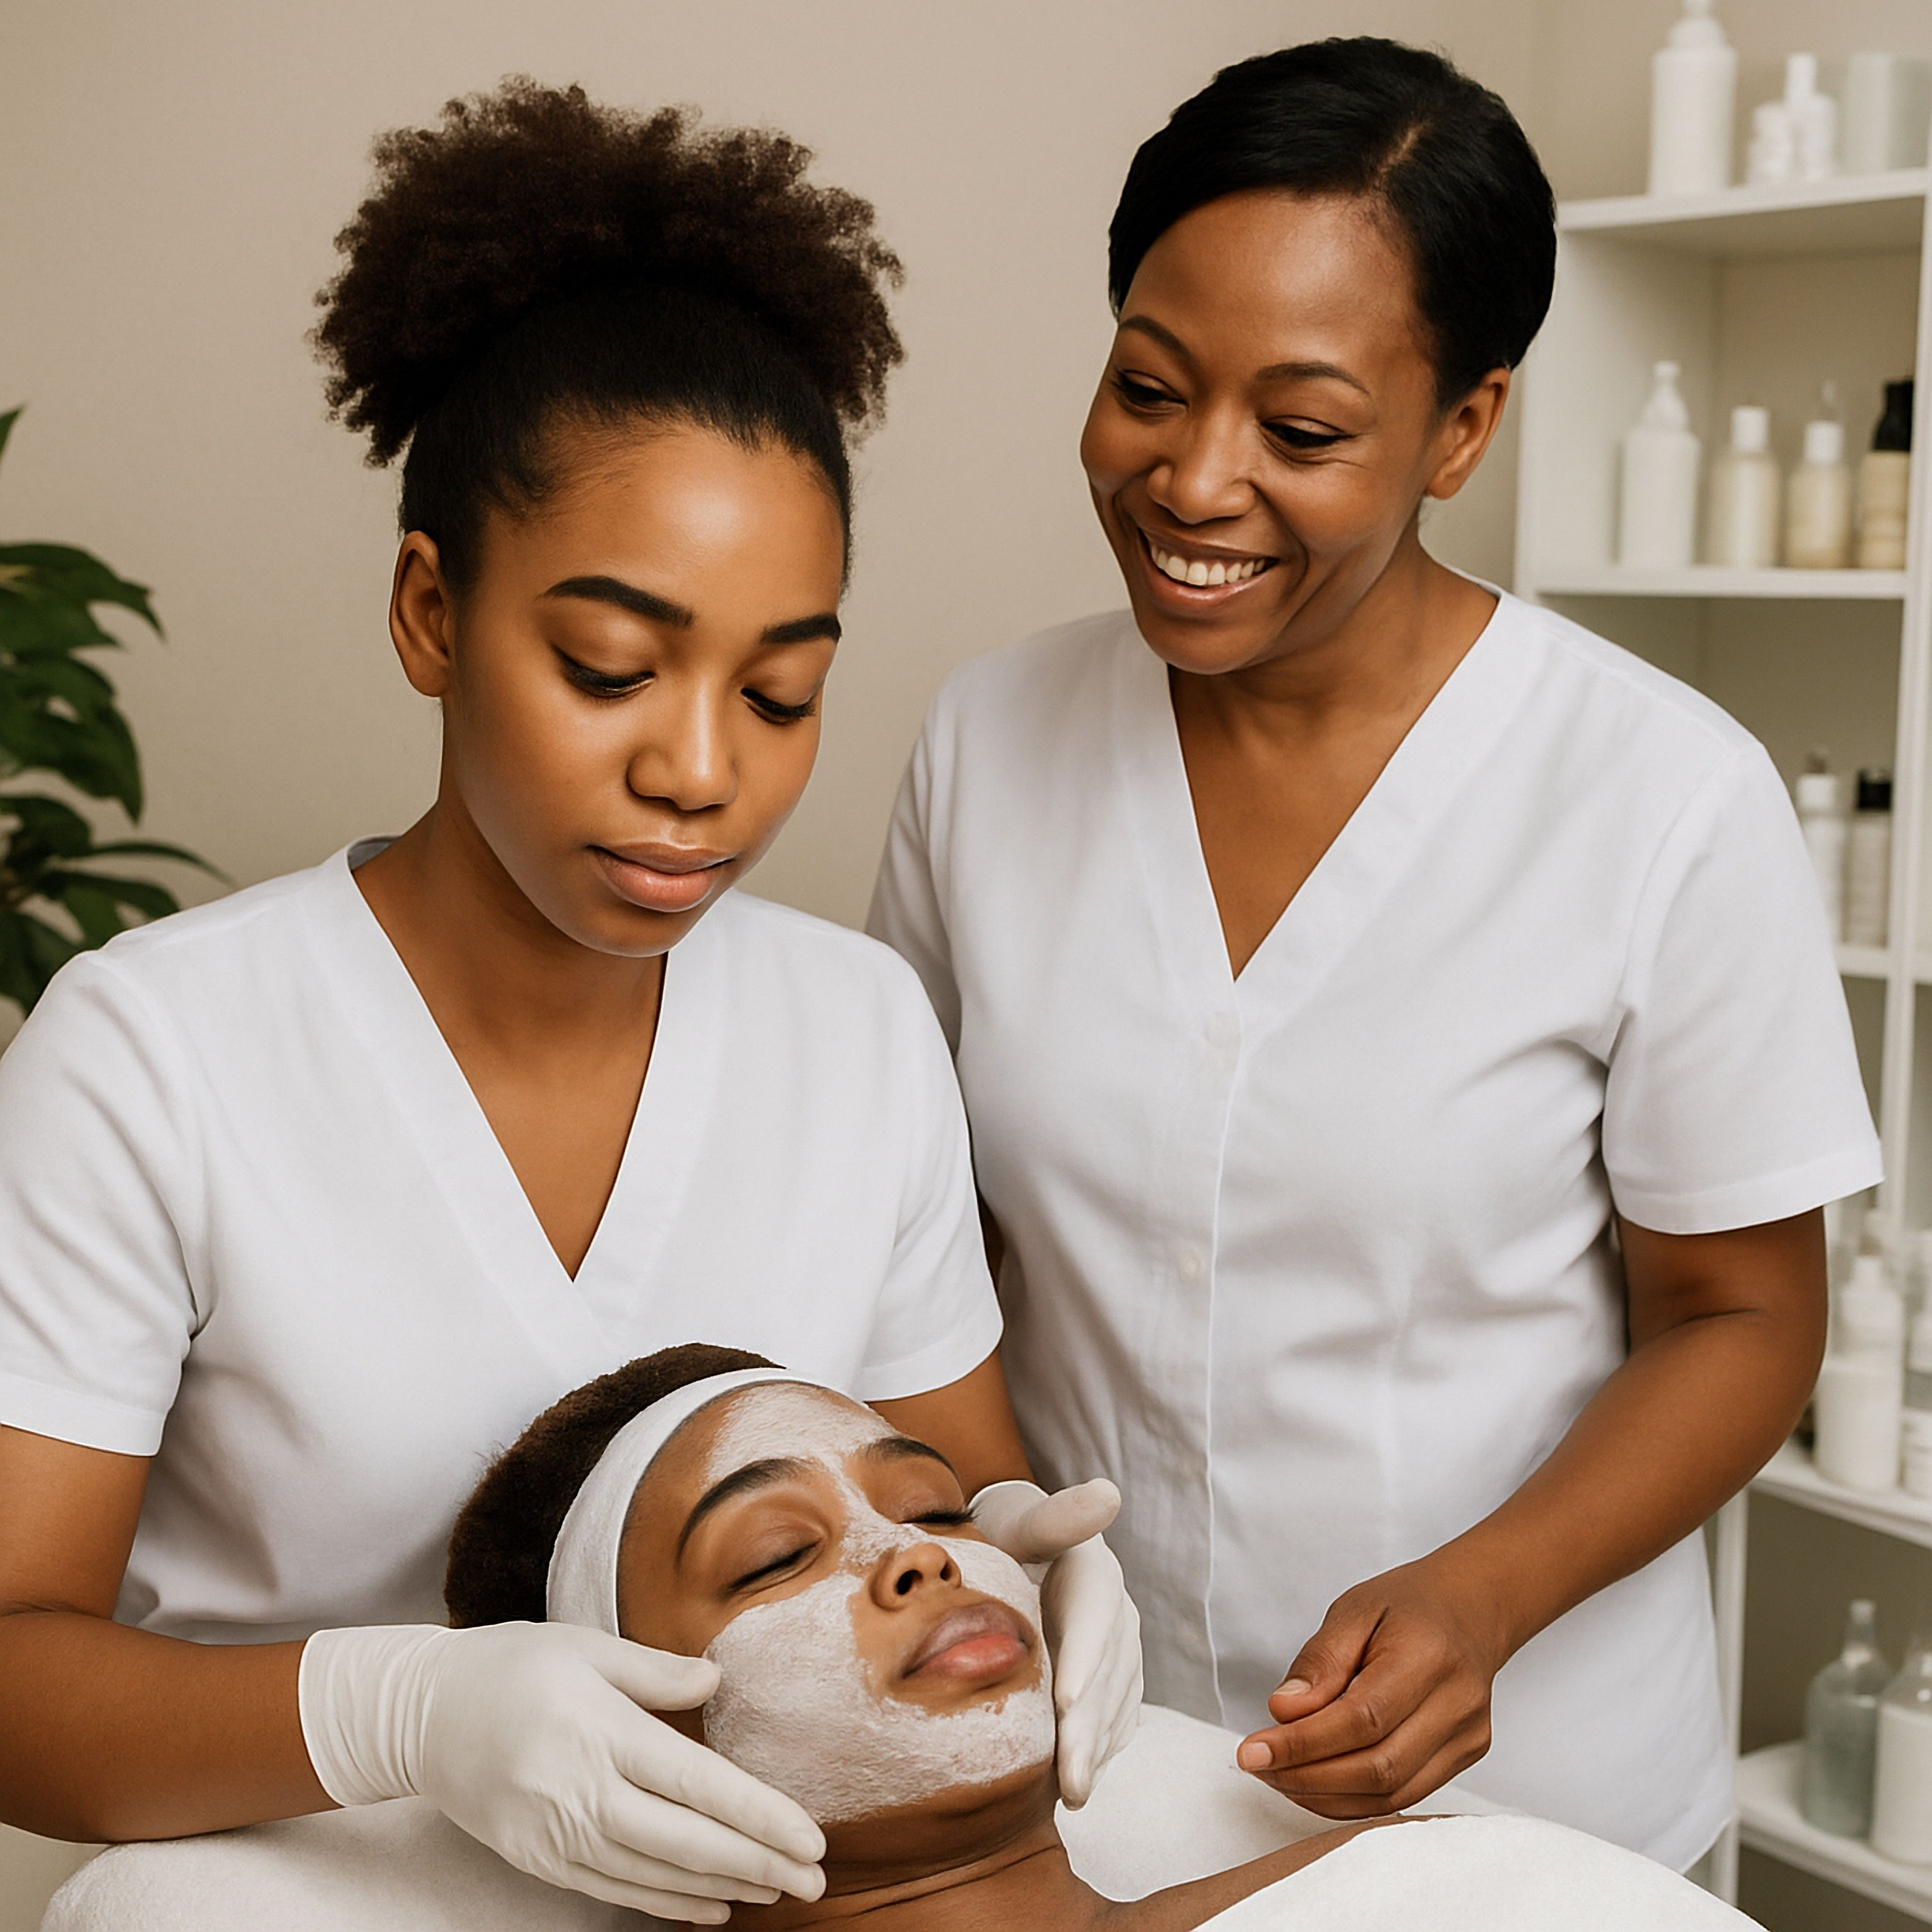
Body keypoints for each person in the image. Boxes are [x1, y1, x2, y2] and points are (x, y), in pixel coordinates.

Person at [0, 81, 1135, 1928]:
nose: (702, 770)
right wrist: (399, 1712)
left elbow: (959, 1494)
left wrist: (1035, 1567)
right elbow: (7, 1676)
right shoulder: (156, 1055)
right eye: (610, 666)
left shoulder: (851, 1031)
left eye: (780, 694)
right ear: (434, 613)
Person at [867, 37, 1879, 1870]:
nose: (1190, 481)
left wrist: (1487, 1592)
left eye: (1304, 429)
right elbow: (925, 1237)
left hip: (1521, 1791)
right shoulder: (986, 741)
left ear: (1461, 427)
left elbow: (1741, 1316)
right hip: (1085, 1755)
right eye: (1145, 387)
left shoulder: (1656, 793)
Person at [44, 1351, 1756, 1932]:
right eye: (777, 1550)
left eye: (936, 1508)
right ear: (625, 1735)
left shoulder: (1422, 1893)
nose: (914, 1563)